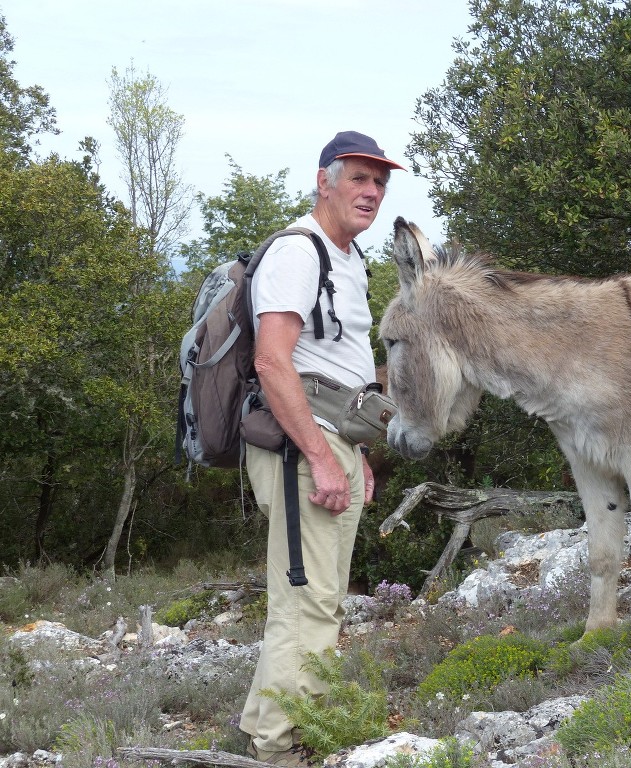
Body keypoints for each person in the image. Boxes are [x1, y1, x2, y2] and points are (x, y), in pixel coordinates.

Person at [240, 131, 405, 766]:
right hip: (297, 448)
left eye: (379, 182)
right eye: (359, 178)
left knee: (319, 596)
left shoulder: (347, 258)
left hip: (334, 441)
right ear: (324, 181)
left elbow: (336, 367)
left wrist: (354, 454)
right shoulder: (297, 252)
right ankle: (282, 748)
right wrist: (316, 454)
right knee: (306, 598)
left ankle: (264, 725)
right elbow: (273, 362)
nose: (371, 192)